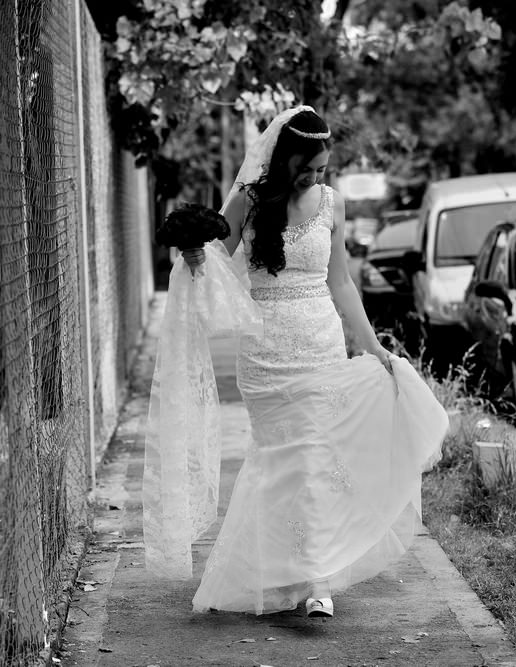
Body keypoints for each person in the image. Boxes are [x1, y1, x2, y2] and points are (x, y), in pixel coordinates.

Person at [142, 106, 448, 619]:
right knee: (278, 463)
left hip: (321, 346)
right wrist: (196, 256)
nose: (313, 177)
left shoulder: (332, 203)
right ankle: (285, 573)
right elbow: (216, 265)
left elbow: (341, 281)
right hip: (265, 354)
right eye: (305, 168)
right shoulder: (247, 201)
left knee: (314, 461)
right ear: (282, 159)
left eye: (322, 169)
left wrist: (371, 346)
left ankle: (317, 580)